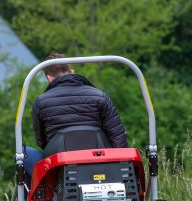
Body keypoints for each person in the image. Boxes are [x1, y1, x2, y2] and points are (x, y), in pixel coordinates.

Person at [24, 52, 128, 187]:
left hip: (59, 167)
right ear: (72, 72)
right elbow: (119, 139)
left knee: (23, 154)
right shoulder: (100, 96)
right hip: (99, 164)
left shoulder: (41, 102)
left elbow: (42, 142)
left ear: (49, 78)